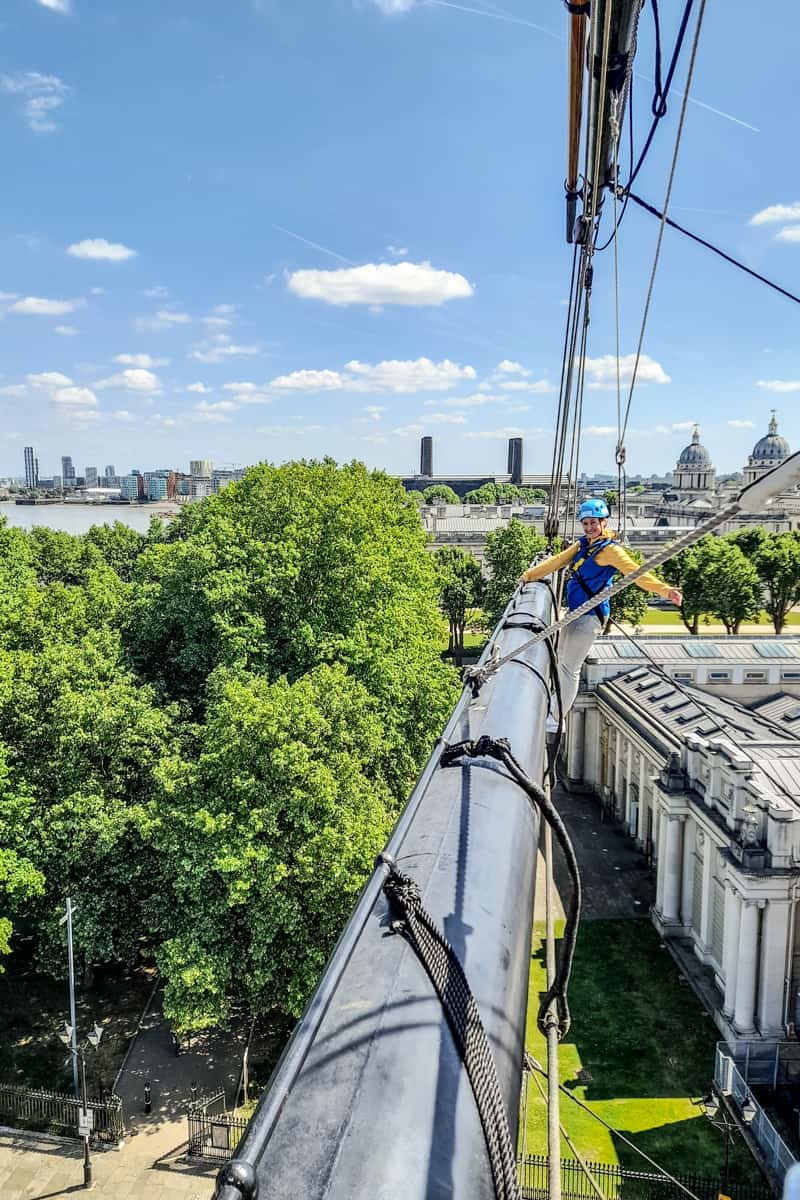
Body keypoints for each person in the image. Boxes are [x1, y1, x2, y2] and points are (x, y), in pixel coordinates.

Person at [520, 499, 682, 730]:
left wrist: (665, 590)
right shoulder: (583, 544)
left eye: (593, 523)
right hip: (577, 613)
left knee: (569, 667)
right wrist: (528, 575)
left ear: (604, 522)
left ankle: (555, 717)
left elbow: (637, 574)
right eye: (585, 523)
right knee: (561, 660)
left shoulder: (610, 551)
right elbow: (557, 561)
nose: (589, 527)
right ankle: (553, 705)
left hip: (589, 616)